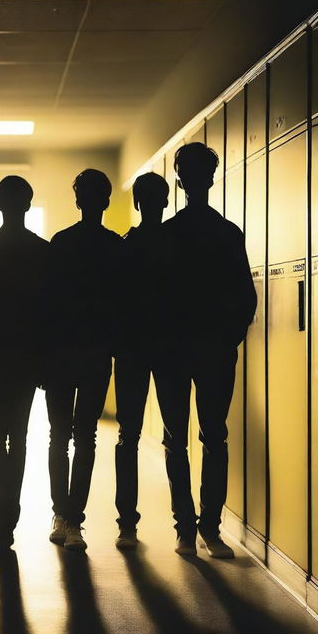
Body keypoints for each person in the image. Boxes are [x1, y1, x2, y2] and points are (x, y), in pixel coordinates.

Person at [153, 143, 256, 558]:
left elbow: (152, 298)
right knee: (213, 436)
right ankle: (208, 530)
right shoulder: (228, 233)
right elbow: (245, 299)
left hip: (176, 352)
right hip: (210, 351)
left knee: (177, 439)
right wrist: (226, 340)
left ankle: (187, 530)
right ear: (210, 179)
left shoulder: (167, 235)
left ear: (180, 181)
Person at [44, 169, 123, 551]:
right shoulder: (115, 247)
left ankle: (63, 514)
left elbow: (47, 305)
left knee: (60, 437)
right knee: (83, 437)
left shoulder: (60, 243)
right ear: (104, 200)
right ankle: (72, 519)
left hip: (62, 352)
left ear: (79, 200)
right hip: (93, 353)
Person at [0, 176, 49, 552]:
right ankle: (8, 522)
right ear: (28, 206)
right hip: (28, 358)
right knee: (17, 437)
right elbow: (50, 313)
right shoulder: (42, 251)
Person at [113, 172, 169, 550]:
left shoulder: (124, 246)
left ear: (136, 203)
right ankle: (186, 528)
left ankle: (127, 525)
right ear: (165, 201)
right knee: (175, 437)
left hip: (132, 350)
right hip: (169, 349)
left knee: (127, 437)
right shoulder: (177, 243)